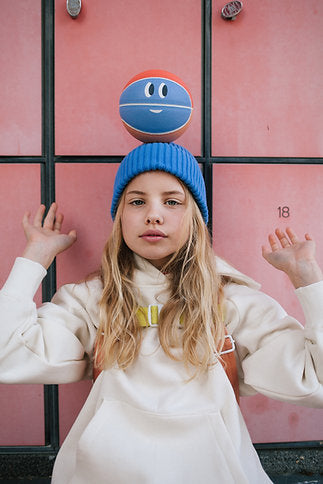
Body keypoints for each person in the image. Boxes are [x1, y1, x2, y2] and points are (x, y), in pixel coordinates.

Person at [0, 142, 322, 484]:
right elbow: (9, 353)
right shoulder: (93, 300)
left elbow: (314, 378)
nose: (154, 214)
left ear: (196, 218)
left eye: (172, 201)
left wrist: (309, 281)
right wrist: (34, 258)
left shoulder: (232, 301)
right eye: (137, 201)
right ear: (120, 217)